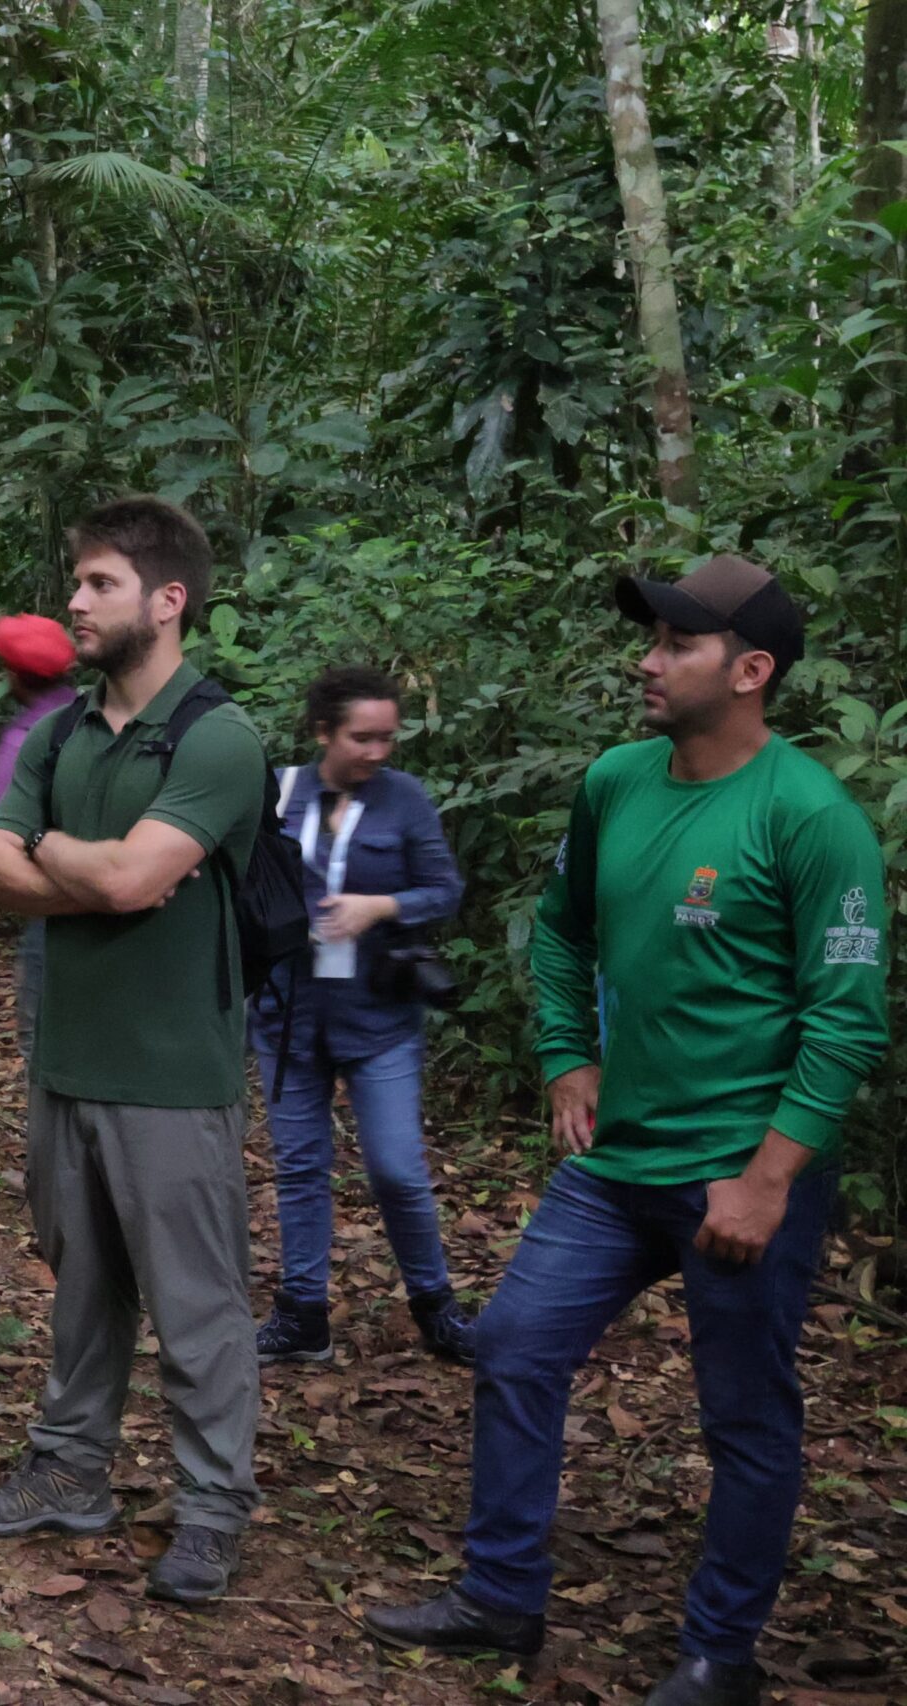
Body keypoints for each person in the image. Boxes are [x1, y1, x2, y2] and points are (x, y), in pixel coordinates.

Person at [366, 557, 889, 1706]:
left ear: (749, 670)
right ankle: (500, 1595)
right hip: (616, 1163)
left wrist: (766, 1180)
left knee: (743, 1416)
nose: (646, 661)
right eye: (649, 638)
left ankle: (721, 1655)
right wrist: (567, 1053)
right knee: (512, 1346)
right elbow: (560, 930)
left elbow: (845, 1026)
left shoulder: (811, 819)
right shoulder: (613, 780)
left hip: (742, 1173)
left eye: (675, 644)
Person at [0, 496, 268, 1605]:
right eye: (74, 582)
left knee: (197, 1302)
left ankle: (213, 1506)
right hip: (65, 1060)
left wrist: (55, 855)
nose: (73, 602)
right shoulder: (59, 731)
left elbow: (137, 878)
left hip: (173, 1074)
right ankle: (70, 1467)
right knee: (80, 1287)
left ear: (167, 600)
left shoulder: (220, 737)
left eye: (97, 584)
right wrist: (78, 857)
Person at [252, 666, 476, 1366]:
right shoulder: (280, 794)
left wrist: (381, 907)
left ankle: (436, 1306)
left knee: (397, 1168)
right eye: (362, 737)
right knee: (299, 1165)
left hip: (379, 1016)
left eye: (388, 735)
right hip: (289, 1015)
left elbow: (445, 889)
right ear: (323, 732)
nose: (379, 751)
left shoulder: (405, 800)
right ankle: (303, 1314)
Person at [0, 614, 79, 1054]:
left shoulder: (28, 738)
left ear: (14, 677)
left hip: (56, 905)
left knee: (39, 1036)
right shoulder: (93, 715)